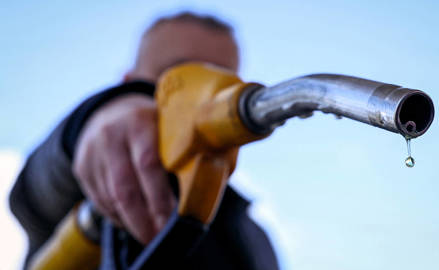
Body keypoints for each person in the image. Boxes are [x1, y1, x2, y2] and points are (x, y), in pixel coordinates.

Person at [10, 12, 279, 270]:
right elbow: (34, 192)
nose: (204, 96)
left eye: (222, 80)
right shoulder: (82, 180)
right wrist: (100, 114)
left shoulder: (252, 236)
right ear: (129, 83)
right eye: (178, 77)